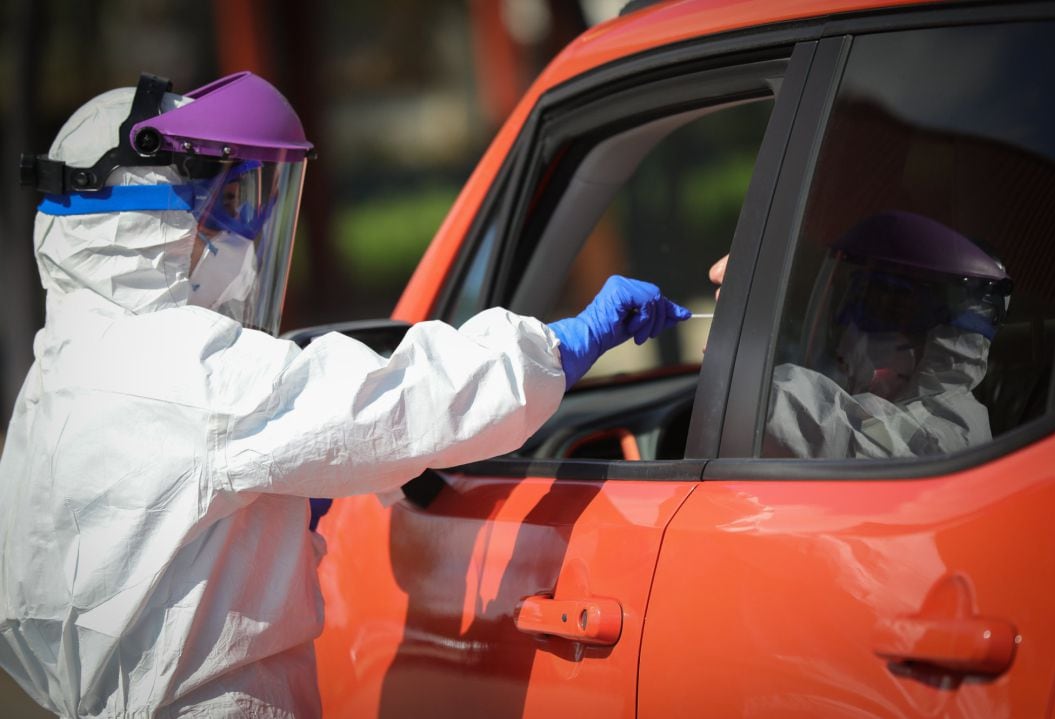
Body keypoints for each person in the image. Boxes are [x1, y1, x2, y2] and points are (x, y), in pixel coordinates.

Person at [0, 72, 690, 718]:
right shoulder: (192, 370)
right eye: (223, 206)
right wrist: (560, 344)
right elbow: (398, 402)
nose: (239, 235)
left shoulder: (59, 370)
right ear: (147, 227)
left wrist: (261, 530)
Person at [709, 210, 1011, 458]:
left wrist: (744, 375)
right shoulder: (897, 408)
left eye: (889, 303)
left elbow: (838, 431)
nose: (851, 324)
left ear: (947, 336)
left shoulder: (949, 436)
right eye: (854, 296)